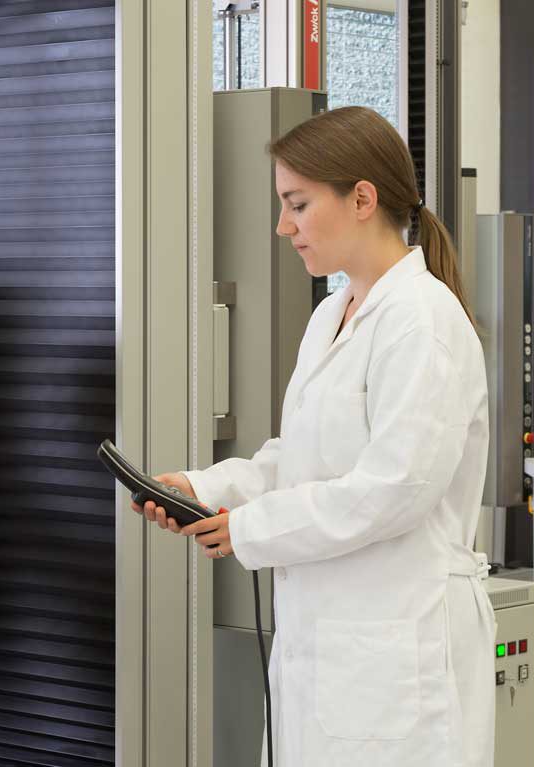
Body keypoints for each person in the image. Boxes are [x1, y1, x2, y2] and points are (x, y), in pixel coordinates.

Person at [132, 105, 495, 767]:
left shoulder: (424, 321)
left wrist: (249, 528)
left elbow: (395, 489)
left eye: (297, 204)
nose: (283, 226)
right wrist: (204, 489)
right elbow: (298, 459)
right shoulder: (334, 312)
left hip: (396, 657)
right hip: (331, 656)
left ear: (362, 198)